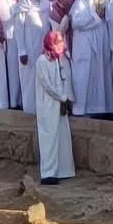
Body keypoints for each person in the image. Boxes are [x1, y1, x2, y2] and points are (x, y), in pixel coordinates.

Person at [34, 29, 76, 184]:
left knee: (62, 136)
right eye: (58, 43)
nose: (62, 45)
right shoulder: (42, 61)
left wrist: (65, 99)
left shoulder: (57, 60)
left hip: (59, 103)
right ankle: (48, 173)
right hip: (47, 105)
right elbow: (48, 85)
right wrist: (63, 98)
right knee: (49, 138)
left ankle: (63, 170)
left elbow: (60, 81)